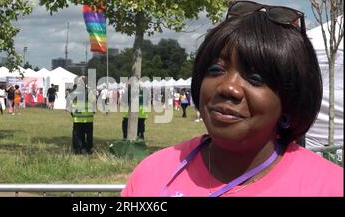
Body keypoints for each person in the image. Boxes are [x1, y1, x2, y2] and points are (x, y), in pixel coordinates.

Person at [121, 1, 343, 197]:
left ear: (289, 104)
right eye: (216, 69)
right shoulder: (153, 174)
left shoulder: (330, 187)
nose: (228, 87)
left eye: (256, 78)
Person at [69, 76, 95, 154]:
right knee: (89, 135)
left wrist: (72, 113)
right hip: (88, 118)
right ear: (86, 83)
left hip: (77, 118)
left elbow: (69, 103)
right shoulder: (89, 91)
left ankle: (78, 149)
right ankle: (88, 149)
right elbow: (93, 102)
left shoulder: (73, 91)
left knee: (77, 135)